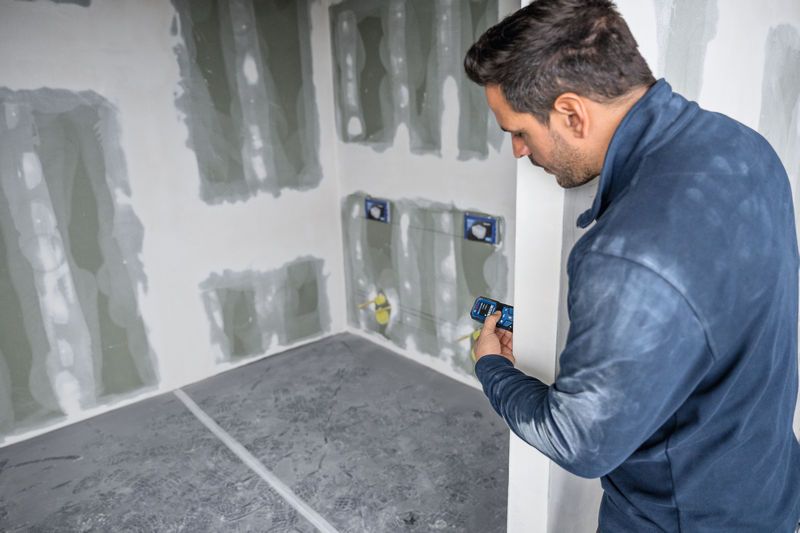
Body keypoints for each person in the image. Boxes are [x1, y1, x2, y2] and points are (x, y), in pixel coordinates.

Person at [464, 1, 800, 531]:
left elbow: (578, 441)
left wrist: (493, 369)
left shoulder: (624, 255)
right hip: (769, 491)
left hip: (677, 518)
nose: (517, 151)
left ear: (572, 113)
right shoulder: (744, 148)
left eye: (518, 130)